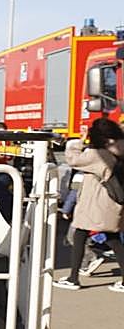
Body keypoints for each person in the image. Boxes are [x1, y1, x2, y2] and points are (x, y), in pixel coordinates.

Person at [55, 117, 124, 292]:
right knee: (113, 240)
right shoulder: (117, 150)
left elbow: (73, 159)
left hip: (98, 203)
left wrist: (78, 140)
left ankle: (73, 278)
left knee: (79, 233)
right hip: (111, 203)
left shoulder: (98, 155)